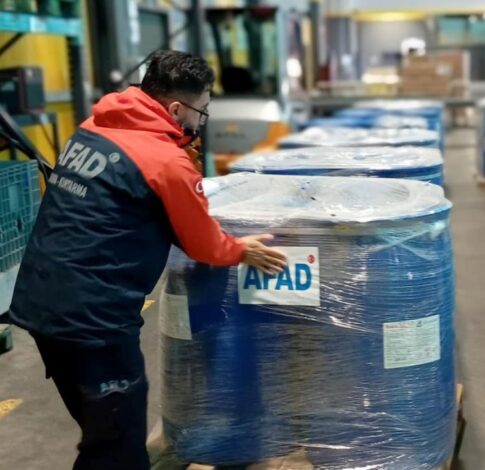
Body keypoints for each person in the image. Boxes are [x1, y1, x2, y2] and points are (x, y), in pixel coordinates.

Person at [9, 50, 288, 470]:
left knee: (102, 433)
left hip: (40, 304)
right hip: (93, 322)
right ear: (175, 109)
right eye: (201, 111)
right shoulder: (165, 162)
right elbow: (204, 244)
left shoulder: (92, 128)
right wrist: (242, 249)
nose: (201, 122)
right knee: (118, 447)